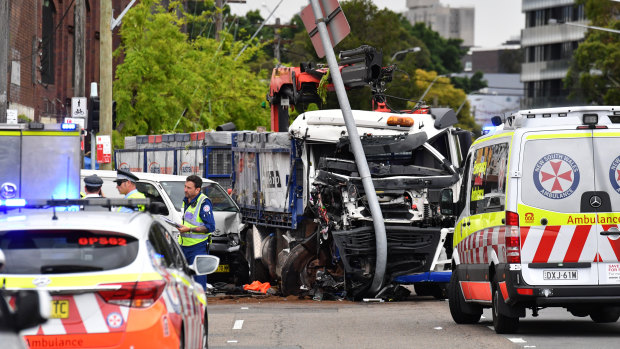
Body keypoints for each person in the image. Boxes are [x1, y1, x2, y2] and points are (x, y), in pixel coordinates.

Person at [178, 175, 215, 290]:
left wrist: (189, 229)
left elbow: (210, 227)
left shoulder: (204, 203)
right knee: (183, 280)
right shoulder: (186, 200)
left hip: (198, 247)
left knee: (199, 282)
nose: (185, 190)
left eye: (189, 188)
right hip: (183, 246)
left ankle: (200, 306)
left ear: (197, 189)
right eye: (185, 186)